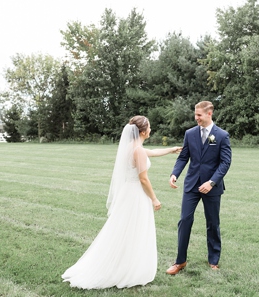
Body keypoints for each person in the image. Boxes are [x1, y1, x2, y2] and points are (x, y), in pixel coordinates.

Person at [62, 116, 182, 289]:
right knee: (135, 229)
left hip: (128, 192)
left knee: (125, 229)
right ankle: (126, 269)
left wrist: (172, 150)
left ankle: (125, 264)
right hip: (136, 195)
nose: (151, 129)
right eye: (149, 127)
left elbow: (153, 152)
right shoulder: (138, 150)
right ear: (142, 131)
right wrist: (154, 199)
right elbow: (143, 179)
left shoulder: (131, 147)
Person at [166, 101, 231, 275]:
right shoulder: (190, 133)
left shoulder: (222, 136)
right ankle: (180, 261)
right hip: (192, 184)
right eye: (195, 115)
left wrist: (211, 182)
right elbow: (183, 157)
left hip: (212, 187)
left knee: (212, 223)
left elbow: (225, 163)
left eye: (199, 115)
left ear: (209, 114)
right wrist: (175, 173)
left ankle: (214, 259)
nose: (196, 118)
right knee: (184, 220)